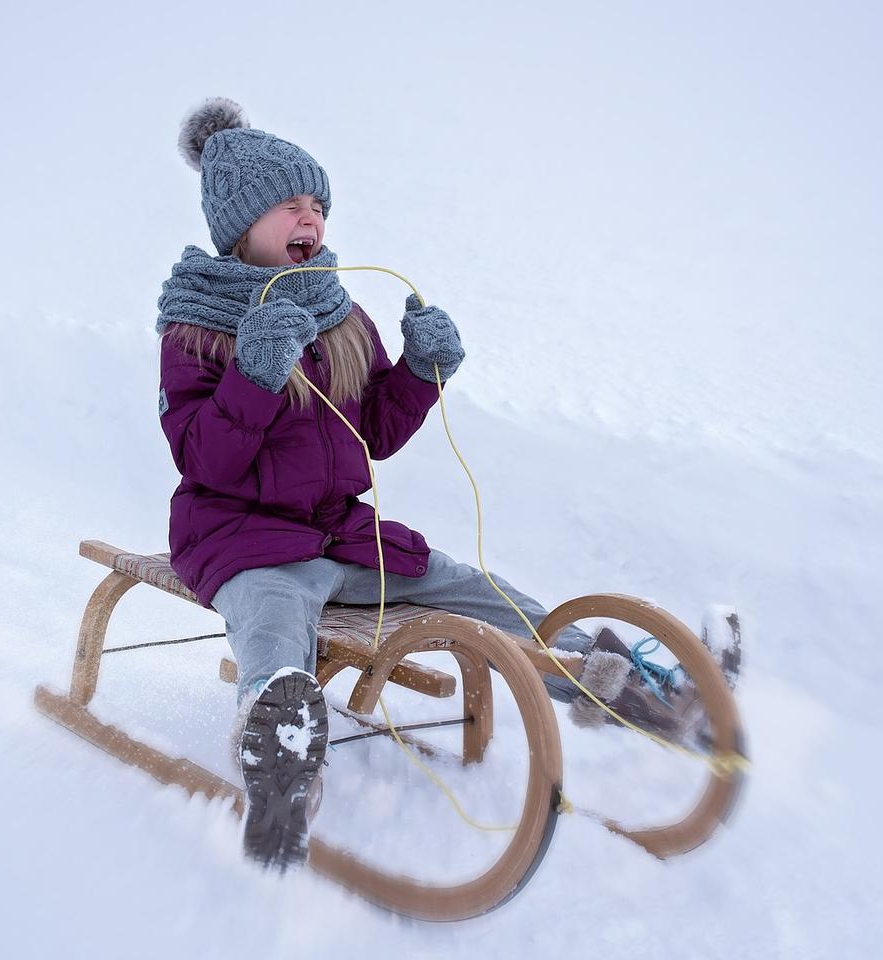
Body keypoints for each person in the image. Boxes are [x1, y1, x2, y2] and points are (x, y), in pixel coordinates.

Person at [155, 98, 702, 871]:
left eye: (318, 203)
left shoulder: (339, 316)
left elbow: (373, 430)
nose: (311, 216)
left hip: (343, 535)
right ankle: (280, 755)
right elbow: (202, 459)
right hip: (245, 543)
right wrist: (253, 372)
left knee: (477, 589)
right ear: (242, 224)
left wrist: (421, 371)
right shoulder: (195, 328)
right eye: (290, 204)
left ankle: (625, 684)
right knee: (275, 623)